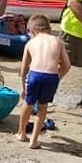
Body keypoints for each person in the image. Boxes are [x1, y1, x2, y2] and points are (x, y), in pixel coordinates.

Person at [16, 15, 71, 149]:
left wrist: (24, 85)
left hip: (35, 75)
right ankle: (34, 140)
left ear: (32, 30)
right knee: (43, 107)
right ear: (49, 28)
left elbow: (24, 68)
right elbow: (67, 65)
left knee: (28, 103)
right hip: (51, 76)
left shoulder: (30, 43)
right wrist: (58, 77)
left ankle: (21, 133)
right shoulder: (58, 41)